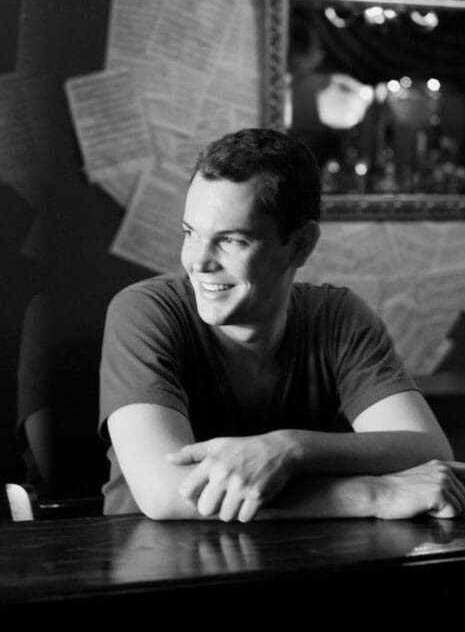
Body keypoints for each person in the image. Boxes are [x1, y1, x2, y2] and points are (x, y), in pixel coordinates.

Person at [99, 128, 465, 522]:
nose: (198, 261)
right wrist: (374, 495)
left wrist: (290, 448)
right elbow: (167, 493)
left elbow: (429, 453)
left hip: (296, 555)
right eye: (190, 233)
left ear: (301, 245)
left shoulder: (338, 317)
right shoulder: (144, 311)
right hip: (152, 557)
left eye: (232, 240)